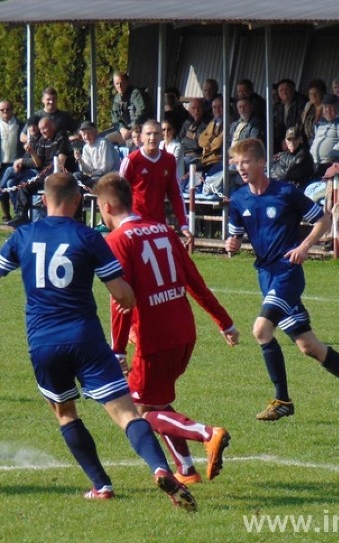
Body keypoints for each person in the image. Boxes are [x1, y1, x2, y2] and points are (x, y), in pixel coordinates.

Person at [0, 172, 196, 510]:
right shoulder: (90, 237)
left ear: (44, 200)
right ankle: (160, 467)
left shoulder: (24, 235)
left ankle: (101, 485)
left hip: (44, 343)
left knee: (65, 413)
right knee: (126, 414)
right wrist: (130, 302)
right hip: (86, 339)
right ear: (78, 201)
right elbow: (121, 292)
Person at [93, 173, 239, 486]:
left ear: (105, 206)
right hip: (184, 332)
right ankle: (186, 470)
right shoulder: (163, 229)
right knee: (157, 403)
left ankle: (207, 434)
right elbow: (194, 280)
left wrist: (117, 349)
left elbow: (121, 301)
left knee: (138, 410)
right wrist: (224, 321)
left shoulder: (117, 241)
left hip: (154, 339)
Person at [225, 138, 339, 421]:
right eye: (237, 163)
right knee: (309, 346)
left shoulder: (285, 192)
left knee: (261, 331)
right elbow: (234, 236)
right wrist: (231, 245)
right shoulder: (238, 199)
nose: (241, 168)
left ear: (262, 163)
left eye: (246, 161)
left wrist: (304, 246)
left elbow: (322, 219)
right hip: (266, 276)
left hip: (288, 275)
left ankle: (282, 399)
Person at [120, 120, 193, 243]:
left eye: (156, 133)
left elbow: (175, 193)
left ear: (161, 136)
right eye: (148, 134)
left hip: (158, 222)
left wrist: (183, 224)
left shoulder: (168, 160)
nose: (152, 137)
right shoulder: (131, 160)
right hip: (135, 221)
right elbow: (119, 192)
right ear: (141, 137)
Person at [8, 116, 75, 227]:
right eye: (41, 129)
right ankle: (21, 215)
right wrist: (32, 152)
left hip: (60, 173)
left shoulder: (60, 136)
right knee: (23, 185)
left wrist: (55, 177)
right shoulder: (42, 140)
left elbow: (61, 158)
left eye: (45, 128)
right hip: (44, 173)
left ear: (52, 126)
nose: (43, 131)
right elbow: (38, 163)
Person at [73, 120, 119, 188]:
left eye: (89, 134)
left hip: (108, 175)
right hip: (95, 175)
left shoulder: (103, 143)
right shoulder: (86, 147)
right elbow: (87, 170)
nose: (86, 137)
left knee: (89, 182)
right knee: (75, 176)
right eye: (84, 134)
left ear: (95, 132)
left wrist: (93, 174)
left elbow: (107, 167)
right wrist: (80, 160)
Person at [108, 71, 150, 144]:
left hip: (139, 129)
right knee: (107, 140)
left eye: (122, 83)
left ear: (127, 82)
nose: (119, 86)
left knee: (130, 144)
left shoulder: (136, 93)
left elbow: (141, 112)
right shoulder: (116, 98)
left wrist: (132, 129)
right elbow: (115, 119)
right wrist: (121, 129)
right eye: (117, 84)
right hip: (124, 131)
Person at [309, 94, 339, 178]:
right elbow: (315, 140)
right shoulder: (319, 124)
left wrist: (334, 152)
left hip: (328, 164)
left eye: (331, 107)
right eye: (325, 107)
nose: (328, 110)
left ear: (337, 108)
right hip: (313, 163)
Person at [272, 78, 305, 151]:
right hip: (282, 143)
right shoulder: (278, 107)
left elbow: (299, 122)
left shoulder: (302, 102)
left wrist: (289, 139)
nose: (284, 92)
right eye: (281, 90)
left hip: (297, 141)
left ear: (293, 89)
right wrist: (281, 140)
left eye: (287, 89)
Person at [178, 98, 211, 170]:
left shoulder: (208, 122)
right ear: (189, 110)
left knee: (180, 164)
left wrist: (192, 137)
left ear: (203, 109)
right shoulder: (187, 121)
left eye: (199, 108)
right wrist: (190, 140)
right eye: (193, 108)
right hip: (184, 154)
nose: (196, 111)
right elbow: (180, 139)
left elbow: (200, 143)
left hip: (198, 156)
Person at [159, 119, 184, 184]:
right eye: (163, 129)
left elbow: (172, 164)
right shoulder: (159, 144)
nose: (166, 132)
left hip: (175, 181)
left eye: (169, 129)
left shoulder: (178, 146)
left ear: (173, 130)